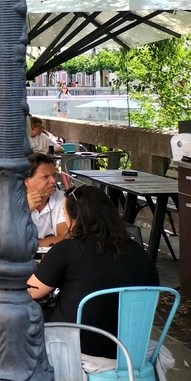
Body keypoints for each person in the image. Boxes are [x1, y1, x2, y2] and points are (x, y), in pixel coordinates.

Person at [27, 185, 159, 358]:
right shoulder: (137, 250)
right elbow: (152, 301)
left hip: (78, 345)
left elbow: (32, 291)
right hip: (128, 348)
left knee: (22, 311)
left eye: (65, 215)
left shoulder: (66, 250)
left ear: (76, 218)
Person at [26, 152, 68, 244]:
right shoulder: (11, 201)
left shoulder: (62, 199)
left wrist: (27, 245)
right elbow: (4, 239)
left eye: (54, 175)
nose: (53, 181)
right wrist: (24, 210)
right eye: (45, 177)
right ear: (27, 181)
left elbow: (64, 239)